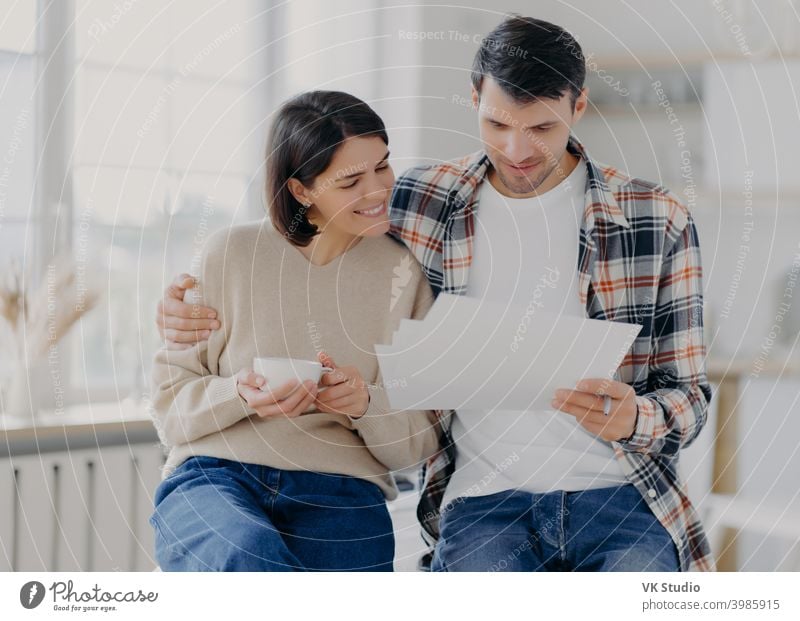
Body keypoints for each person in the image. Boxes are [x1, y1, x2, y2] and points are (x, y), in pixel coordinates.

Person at [156, 15, 714, 572]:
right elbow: (307, 221)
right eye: (496, 124)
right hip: (484, 502)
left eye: (541, 128)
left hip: (619, 498)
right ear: (474, 98)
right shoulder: (421, 200)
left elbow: (689, 397)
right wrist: (180, 308)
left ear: (579, 106)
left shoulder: (655, 219)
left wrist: (637, 418)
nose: (516, 150)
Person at [148, 90, 442, 572]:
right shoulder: (232, 254)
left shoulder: (404, 273)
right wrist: (237, 394)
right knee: (243, 553)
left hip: (342, 490)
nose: (377, 190)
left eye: (382, 167)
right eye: (350, 181)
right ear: (302, 190)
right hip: (217, 476)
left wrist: (364, 404)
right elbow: (169, 409)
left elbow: (421, 440)